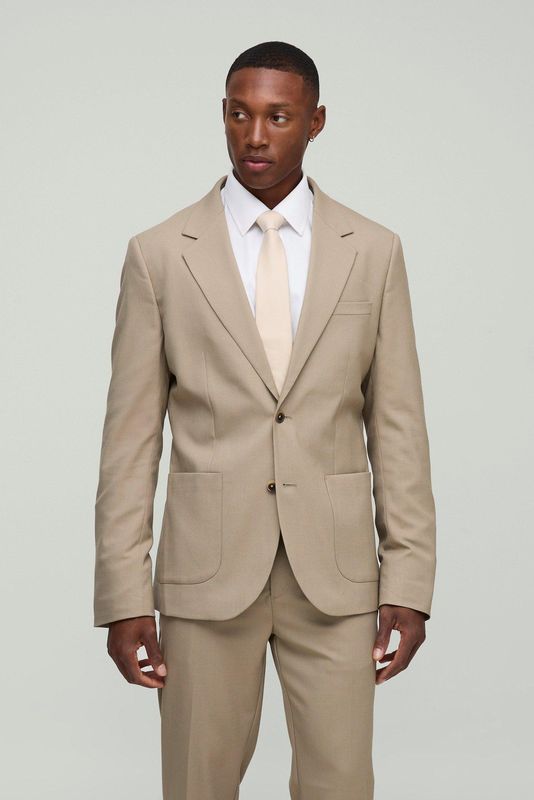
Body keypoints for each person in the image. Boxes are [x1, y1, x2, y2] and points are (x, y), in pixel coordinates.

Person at [93, 40, 436, 800]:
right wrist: (124, 596)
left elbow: (399, 428)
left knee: (341, 786)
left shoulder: (373, 252)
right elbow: (129, 442)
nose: (255, 135)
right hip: (206, 575)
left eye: (278, 117)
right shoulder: (159, 255)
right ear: (223, 115)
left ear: (315, 122)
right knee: (198, 785)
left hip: (336, 577)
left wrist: (409, 580)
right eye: (240, 115)